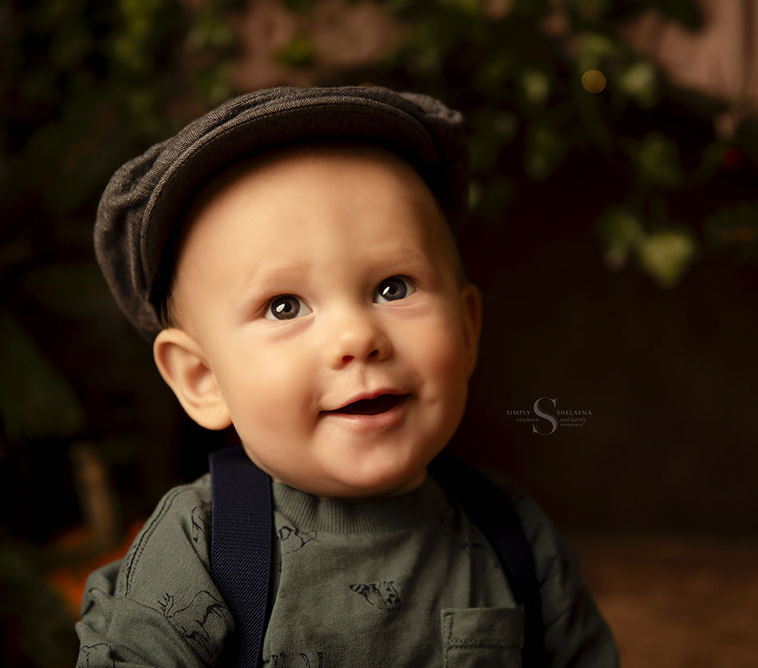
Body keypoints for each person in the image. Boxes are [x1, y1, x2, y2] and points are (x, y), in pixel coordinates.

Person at [78, 85, 617, 667]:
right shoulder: (199, 556)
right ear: (203, 378)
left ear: (466, 330)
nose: (358, 337)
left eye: (394, 288)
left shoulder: (514, 539)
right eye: (284, 306)